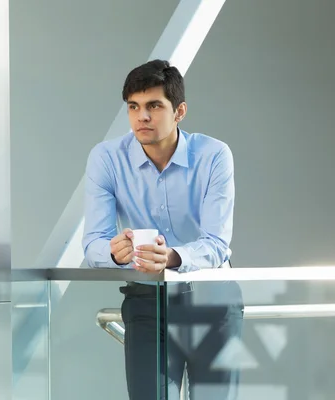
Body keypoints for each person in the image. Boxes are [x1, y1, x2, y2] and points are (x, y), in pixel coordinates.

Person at [82, 59, 244, 399]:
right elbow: (93, 244)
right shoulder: (107, 158)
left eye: (154, 106)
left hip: (212, 301)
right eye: (134, 107)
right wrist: (114, 252)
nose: (142, 117)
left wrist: (171, 256)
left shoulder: (214, 155)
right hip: (147, 303)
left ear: (179, 111)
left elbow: (216, 244)